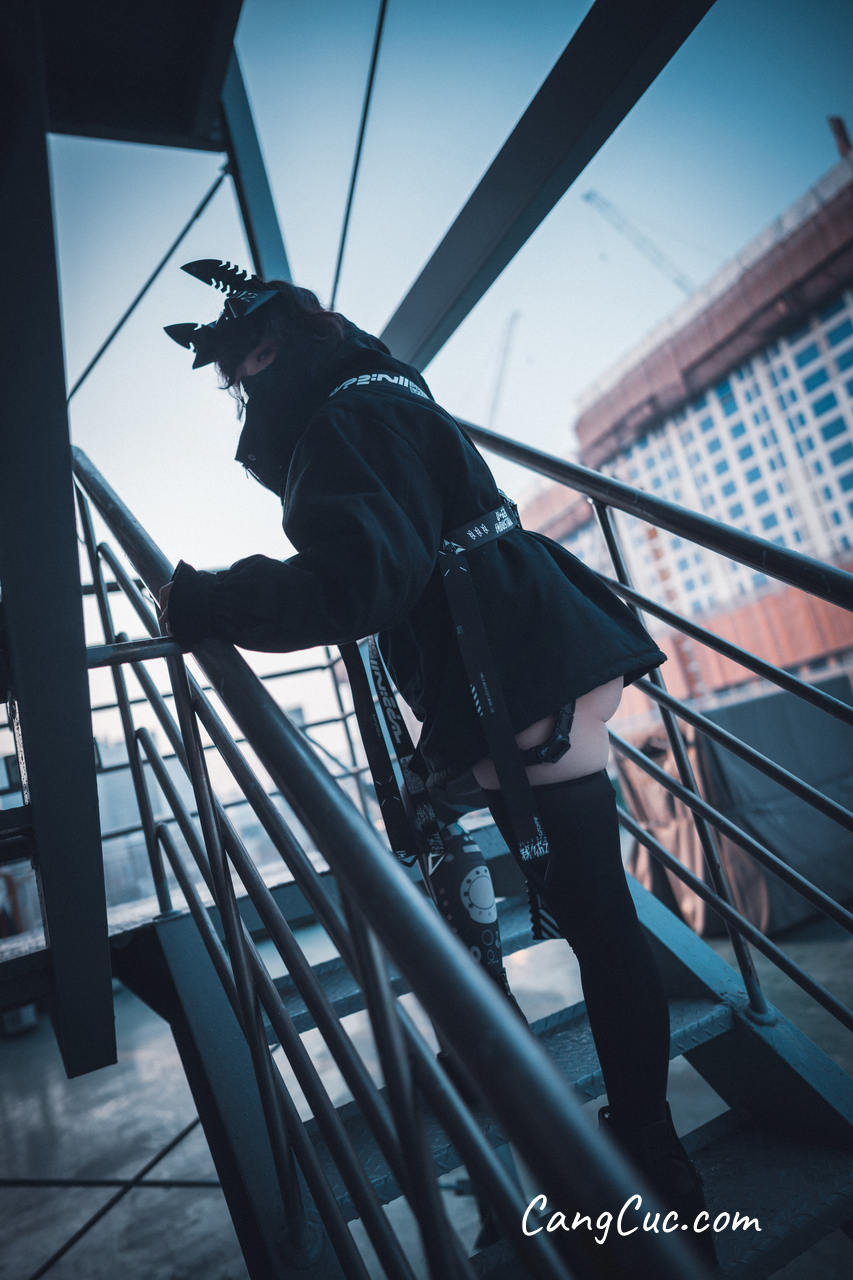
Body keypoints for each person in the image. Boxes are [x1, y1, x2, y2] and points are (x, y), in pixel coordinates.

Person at [161, 261, 712, 1254]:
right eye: (235, 373)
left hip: (511, 680)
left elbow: (358, 581)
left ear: (281, 346)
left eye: (250, 361)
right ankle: (627, 1151)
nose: (243, 386)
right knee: (588, 916)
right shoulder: (382, 386)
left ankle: (641, 1164)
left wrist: (210, 599)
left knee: (594, 921)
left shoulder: (343, 418)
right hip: (533, 650)